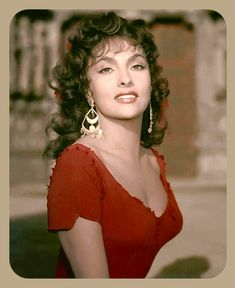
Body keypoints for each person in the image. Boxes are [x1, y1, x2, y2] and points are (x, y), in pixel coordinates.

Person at [44, 11, 183, 278]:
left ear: (150, 80)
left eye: (137, 65)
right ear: (88, 90)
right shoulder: (78, 165)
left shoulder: (153, 160)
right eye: (106, 68)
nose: (125, 79)